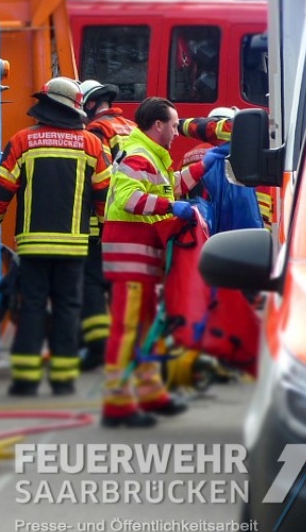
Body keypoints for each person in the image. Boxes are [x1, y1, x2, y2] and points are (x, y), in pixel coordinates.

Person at [101, 97, 228, 428]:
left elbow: (171, 187)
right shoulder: (139, 155)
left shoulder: (151, 156)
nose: (176, 131)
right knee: (128, 327)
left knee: (146, 326)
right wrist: (171, 209)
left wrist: (205, 165)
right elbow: (129, 199)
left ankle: (148, 391)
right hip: (130, 252)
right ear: (157, 125)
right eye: (173, 124)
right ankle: (117, 402)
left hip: (142, 253)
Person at [0, 77, 111, 397]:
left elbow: (2, 189)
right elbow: (104, 197)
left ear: (45, 104)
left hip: (33, 243)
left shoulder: (22, 140)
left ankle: (26, 381)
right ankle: (63, 379)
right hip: (74, 244)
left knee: (33, 307)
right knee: (69, 307)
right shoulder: (92, 144)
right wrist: (102, 230)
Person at [78, 80, 135, 372]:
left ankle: (99, 346)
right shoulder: (131, 128)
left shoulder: (97, 132)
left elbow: (97, 176)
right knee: (123, 282)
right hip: (134, 219)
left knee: (92, 281)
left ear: (89, 105)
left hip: (105, 218)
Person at [178, 106, 274, 227]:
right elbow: (261, 198)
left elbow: (175, 187)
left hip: (197, 225)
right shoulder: (245, 156)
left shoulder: (189, 156)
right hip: (234, 226)